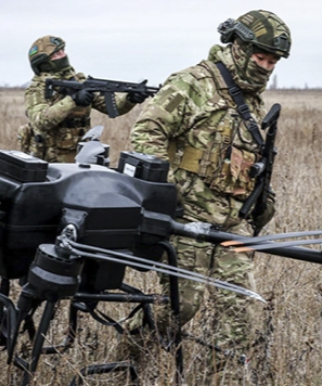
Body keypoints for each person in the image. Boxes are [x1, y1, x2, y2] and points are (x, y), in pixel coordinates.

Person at [127, 9, 291, 383]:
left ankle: (224, 377)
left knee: (240, 314)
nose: (266, 67)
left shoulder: (251, 100)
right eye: (260, 57)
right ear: (237, 46)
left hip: (233, 224)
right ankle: (131, 357)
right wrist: (168, 194)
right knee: (181, 305)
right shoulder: (191, 83)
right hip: (188, 221)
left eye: (272, 61)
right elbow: (146, 133)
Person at [18, 35, 149, 163]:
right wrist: (73, 100)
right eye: (56, 54)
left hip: (82, 153)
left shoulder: (78, 81)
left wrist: (130, 99)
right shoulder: (37, 89)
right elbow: (40, 121)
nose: (63, 55)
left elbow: (111, 108)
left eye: (63, 51)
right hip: (51, 156)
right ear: (44, 63)